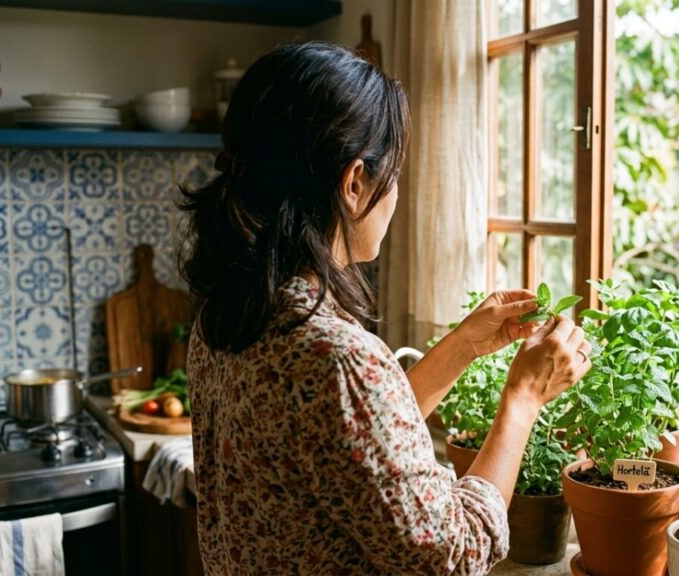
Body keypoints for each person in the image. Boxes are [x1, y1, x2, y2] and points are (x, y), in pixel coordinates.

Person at [182, 42, 591, 575]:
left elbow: (353, 443)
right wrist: (523, 397)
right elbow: (455, 555)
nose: (397, 193)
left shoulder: (230, 314)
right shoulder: (335, 355)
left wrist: (464, 345)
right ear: (354, 184)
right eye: (394, 174)